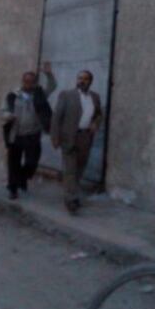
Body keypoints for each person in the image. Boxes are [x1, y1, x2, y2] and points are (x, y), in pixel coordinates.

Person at [1, 62, 57, 199]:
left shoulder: (40, 94)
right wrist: (8, 116)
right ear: (22, 81)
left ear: (35, 82)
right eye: (26, 81)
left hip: (33, 134)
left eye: (31, 81)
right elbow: (3, 110)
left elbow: (53, 86)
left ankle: (21, 178)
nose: (28, 83)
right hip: (15, 134)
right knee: (13, 163)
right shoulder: (12, 95)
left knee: (32, 163)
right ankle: (13, 189)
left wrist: (49, 74)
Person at [51, 70, 102, 214]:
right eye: (80, 78)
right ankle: (71, 199)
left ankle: (72, 191)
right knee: (70, 169)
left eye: (86, 79)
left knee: (80, 168)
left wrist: (95, 123)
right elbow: (57, 118)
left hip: (86, 138)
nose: (82, 81)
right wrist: (55, 137)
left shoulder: (95, 97)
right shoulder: (67, 95)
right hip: (69, 137)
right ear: (76, 79)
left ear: (90, 81)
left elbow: (99, 114)